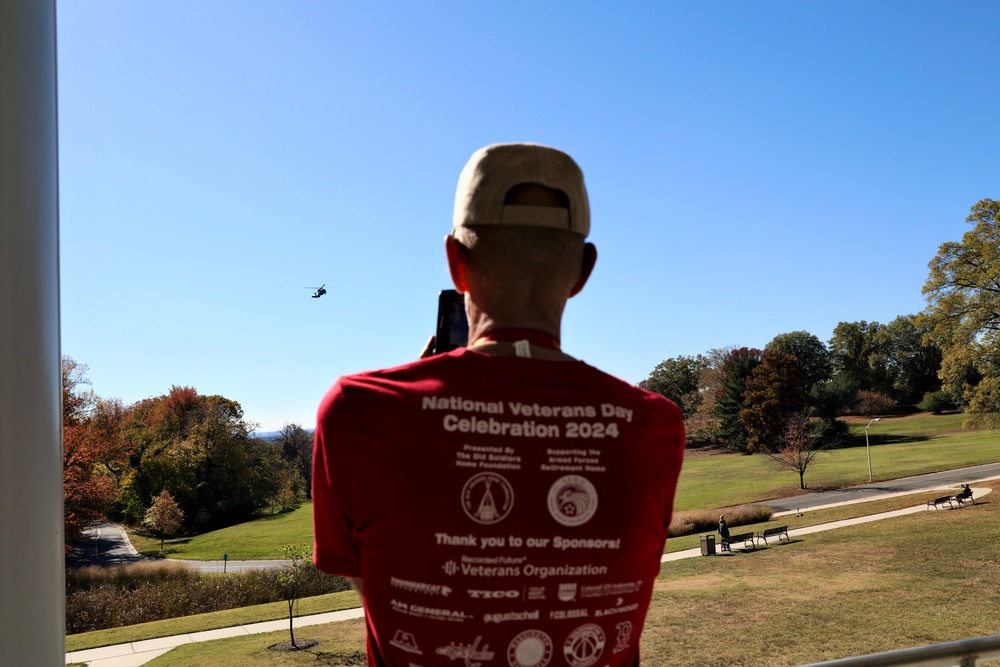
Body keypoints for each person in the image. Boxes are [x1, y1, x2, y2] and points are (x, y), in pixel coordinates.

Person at [312, 143, 686, 667]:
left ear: (454, 262)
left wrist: (414, 406)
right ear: (583, 271)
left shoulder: (358, 412)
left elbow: (378, 593)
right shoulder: (654, 425)